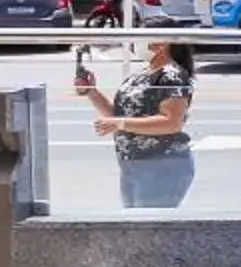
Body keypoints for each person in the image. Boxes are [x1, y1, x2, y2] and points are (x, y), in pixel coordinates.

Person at [78, 39, 196, 208]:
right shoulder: (142, 75)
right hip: (133, 165)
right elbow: (120, 115)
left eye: (144, 36)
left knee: (149, 222)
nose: (138, 42)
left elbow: (171, 122)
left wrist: (120, 123)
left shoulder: (172, 76)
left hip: (161, 165)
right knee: (135, 222)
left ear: (162, 43)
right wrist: (92, 92)